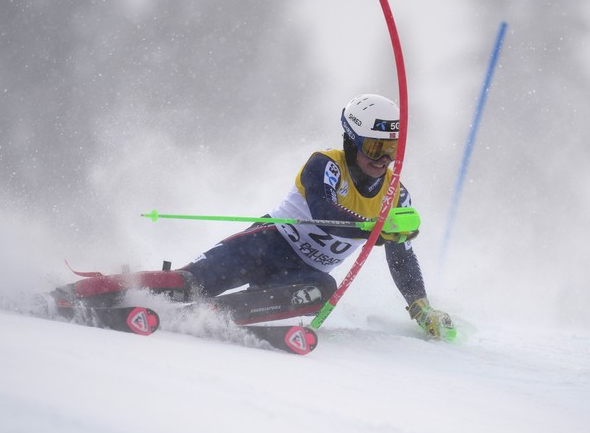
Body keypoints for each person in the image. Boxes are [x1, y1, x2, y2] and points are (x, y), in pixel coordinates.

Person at [176, 93, 455, 340]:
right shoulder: (325, 164)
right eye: (374, 149)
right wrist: (374, 230)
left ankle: (218, 314)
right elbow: (325, 215)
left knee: (323, 290)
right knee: (189, 283)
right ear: (352, 141)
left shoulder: (396, 195)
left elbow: (401, 257)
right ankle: (147, 288)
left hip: (301, 274)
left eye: (391, 150)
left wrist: (421, 308)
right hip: (262, 246)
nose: (383, 160)